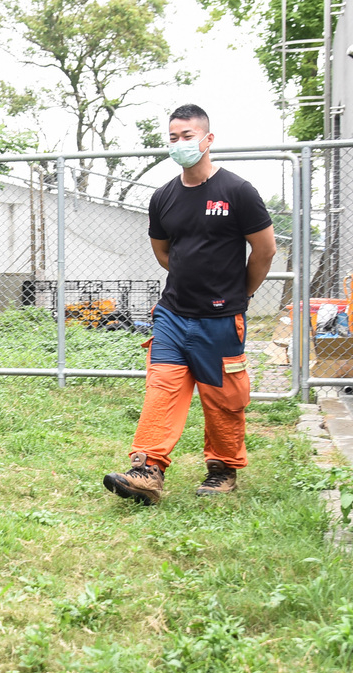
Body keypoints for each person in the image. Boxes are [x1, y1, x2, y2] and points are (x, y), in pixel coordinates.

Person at [102, 104, 277, 505]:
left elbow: (265, 251)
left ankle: (222, 468)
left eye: (187, 136)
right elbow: (164, 254)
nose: (180, 143)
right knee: (161, 391)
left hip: (220, 319)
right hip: (172, 316)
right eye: (173, 137)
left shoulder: (238, 192)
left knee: (223, 400)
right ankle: (147, 470)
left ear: (208, 139)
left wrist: (239, 295)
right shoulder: (164, 197)